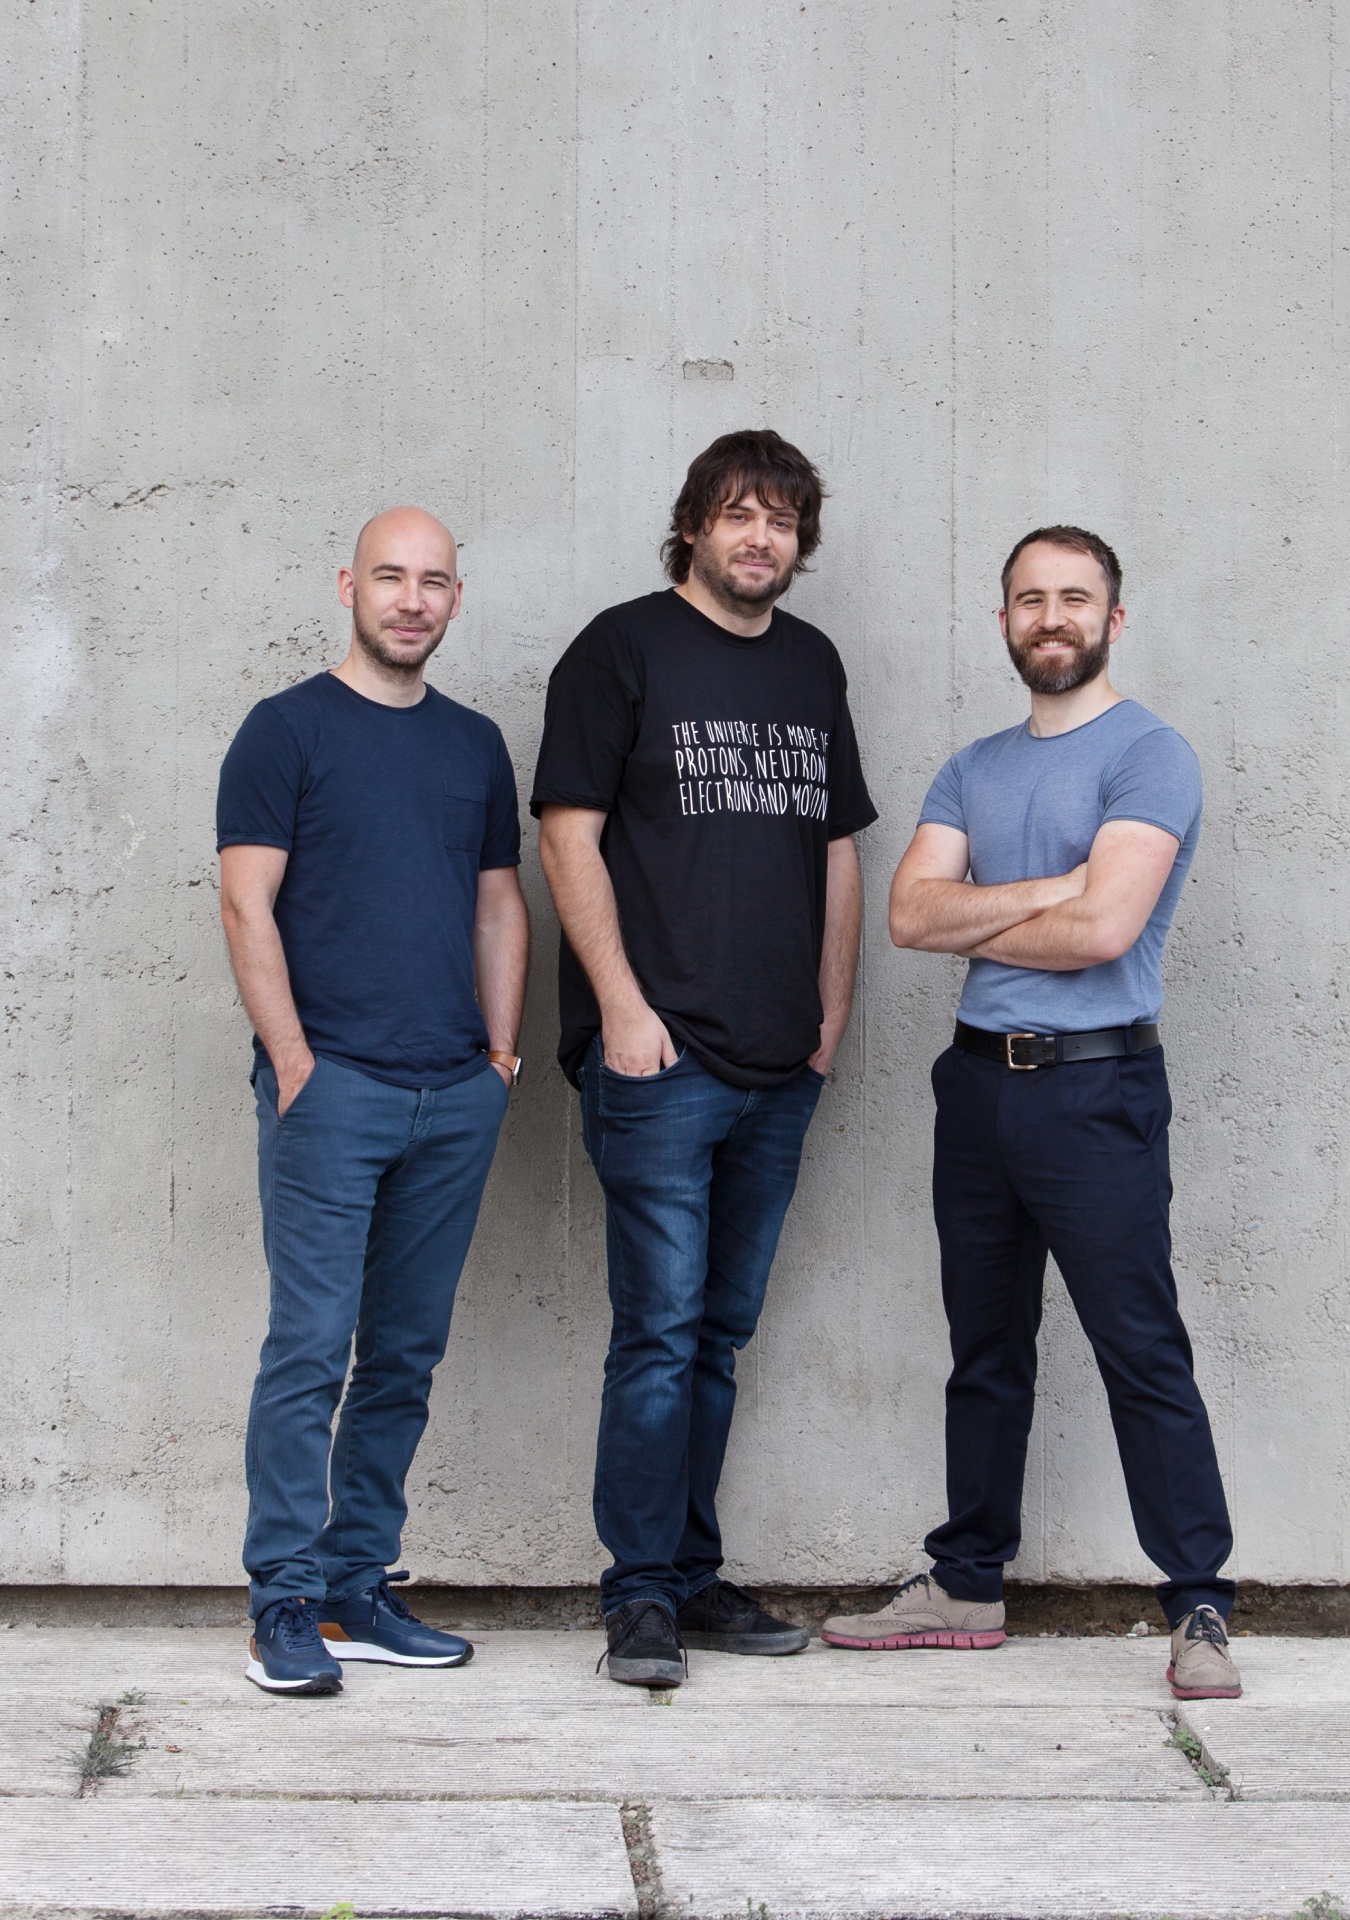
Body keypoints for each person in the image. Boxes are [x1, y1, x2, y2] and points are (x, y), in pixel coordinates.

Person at [822, 526, 1241, 1702]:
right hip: (976, 1090)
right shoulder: (972, 768)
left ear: (1114, 618)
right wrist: (1058, 884)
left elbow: (1105, 931)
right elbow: (909, 916)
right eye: (1029, 598)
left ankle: (1198, 1602)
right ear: (1003, 618)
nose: (1051, 617)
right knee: (985, 1347)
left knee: (1139, 1348)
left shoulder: (1150, 755)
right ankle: (967, 1580)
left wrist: (995, 908)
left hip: (1096, 1091)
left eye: (1074, 598)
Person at [531, 430, 877, 1688]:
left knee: (717, 1335)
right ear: (693, 526)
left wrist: (830, 1015)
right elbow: (567, 835)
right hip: (659, 1061)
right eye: (738, 514)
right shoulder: (619, 649)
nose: (759, 538)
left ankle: (688, 1575)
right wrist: (622, 1009)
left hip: (780, 1067)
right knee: (660, 1333)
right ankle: (638, 1595)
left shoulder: (812, 662)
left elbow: (837, 847)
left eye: (781, 520)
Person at [217, 507, 529, 1696]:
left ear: (456, 599)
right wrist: (294, 1062)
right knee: (309, 1350)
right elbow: (247, 905)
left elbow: (498, 904)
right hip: (333, 1092)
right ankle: (283, 1601)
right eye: (390, 576)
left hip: (453, 1094)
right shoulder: (285, 729)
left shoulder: (475, 744)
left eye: (433, 580)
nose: (411, 599)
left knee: (402, 1356)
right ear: (348, 586)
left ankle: (356, 1584)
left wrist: (500, 1057)